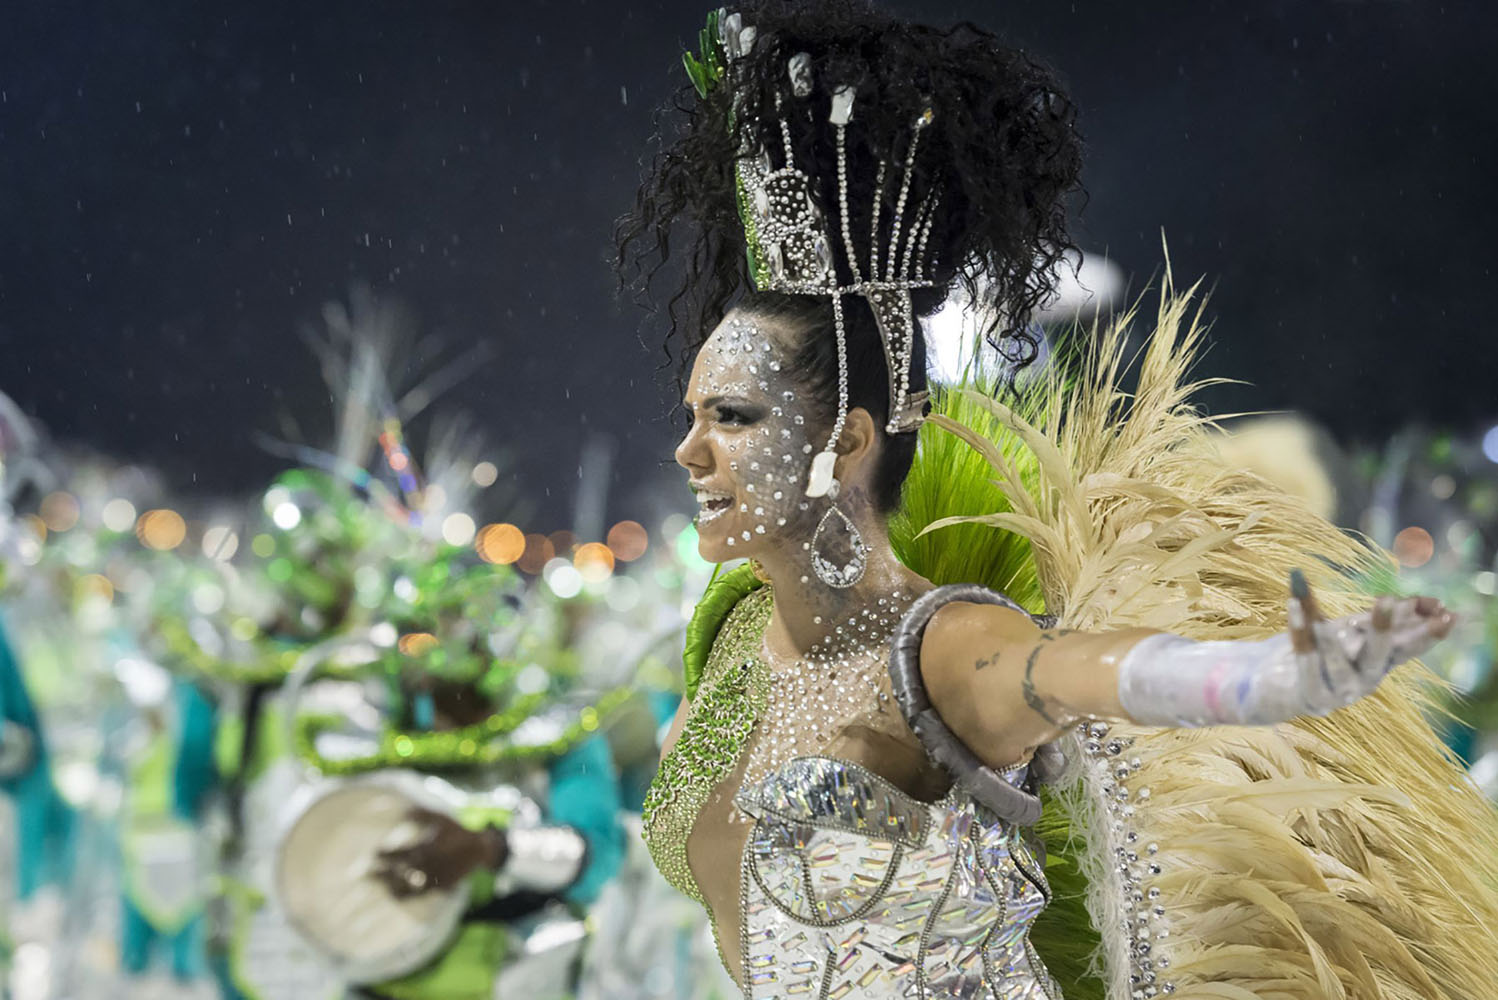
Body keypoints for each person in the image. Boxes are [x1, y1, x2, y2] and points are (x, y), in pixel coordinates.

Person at [617, 3, 1498, 998]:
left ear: (846, 440)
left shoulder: (937, 647)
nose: (689, 449)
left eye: (732, 416)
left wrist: (1268, 678)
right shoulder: (734, 636)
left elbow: (1088, 674)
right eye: (691, 412)